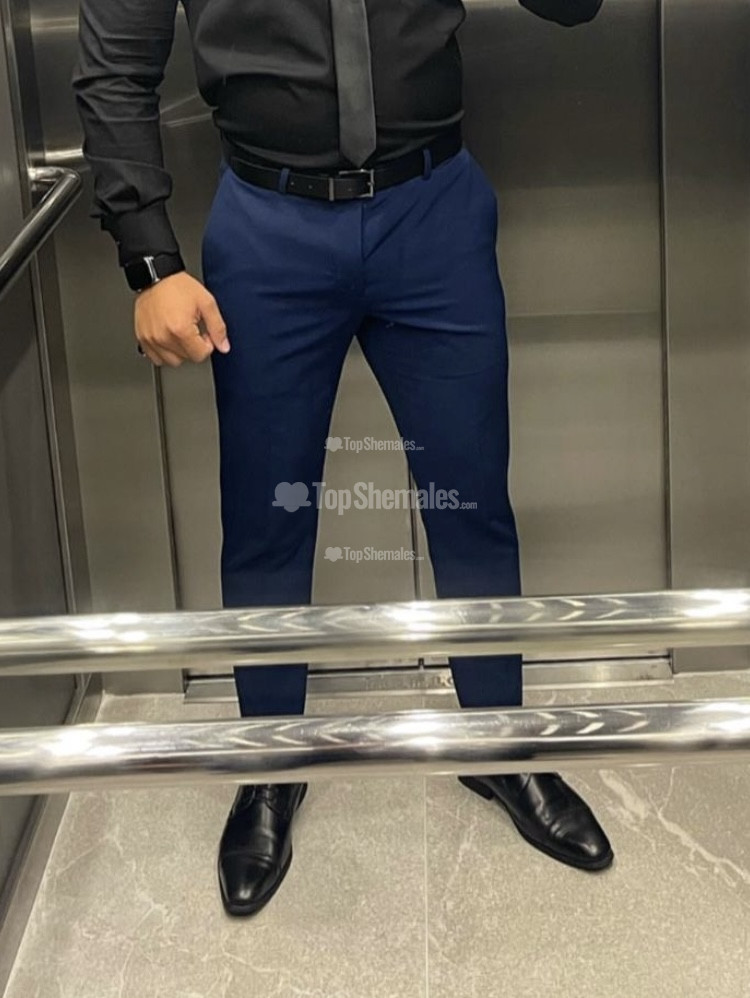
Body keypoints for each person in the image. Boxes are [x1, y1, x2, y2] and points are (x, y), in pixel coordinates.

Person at [72, 0, 611, 918]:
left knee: (473, 502)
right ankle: (272, 760)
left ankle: (499, 745)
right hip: (267, 226)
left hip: (434, 215)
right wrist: (149, 259)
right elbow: (114, 66)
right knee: (265, 518)